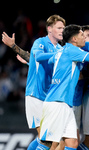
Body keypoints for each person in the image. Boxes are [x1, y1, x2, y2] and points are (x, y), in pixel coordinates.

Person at [36, 24, 89, 150]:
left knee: (72, 144)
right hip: (56, 103)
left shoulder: (62, 51)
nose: (84, 38)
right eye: (81, 35)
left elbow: (51, 60)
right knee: (48, 144)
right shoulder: (73, 51)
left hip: (66, 104)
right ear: (74, 39)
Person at [3, 14, 66, 150]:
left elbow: (34, 59)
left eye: (63, 28)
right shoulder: (41, 42)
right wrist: (14, 46)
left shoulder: (60, 49)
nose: (62, 30)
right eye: (59, 27)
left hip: (50, 98)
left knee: (54, 140)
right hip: (35, 95)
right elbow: (37, 56)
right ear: (49, 29)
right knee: (47, 140)